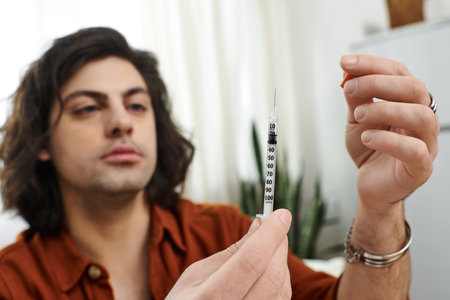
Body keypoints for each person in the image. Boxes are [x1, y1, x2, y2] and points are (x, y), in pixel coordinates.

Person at [0, 27, 439, 300]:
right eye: (88, 108)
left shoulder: (226, 234)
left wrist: (379, 206)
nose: (121, 123)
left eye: (136, 105)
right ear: (41, 141)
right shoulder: (11, 283)